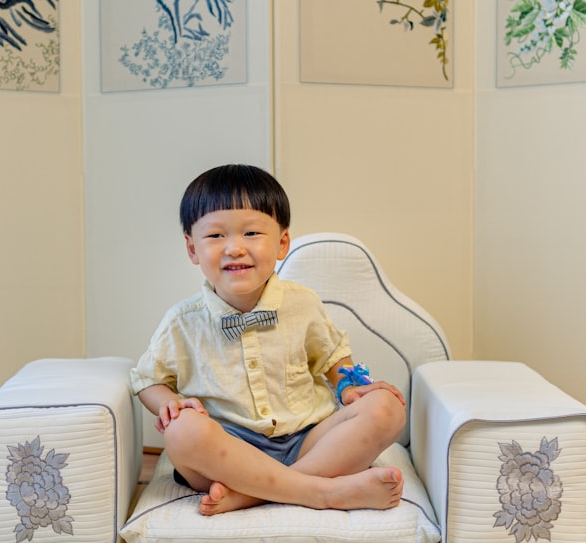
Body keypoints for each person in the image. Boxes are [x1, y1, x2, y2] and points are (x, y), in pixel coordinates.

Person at [130, 164, 407, 516]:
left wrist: (348, 388)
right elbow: (146, 379)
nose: (234, 248)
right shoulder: (182, 321)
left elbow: (332, 357)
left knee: (387, 406)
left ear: (282, 242)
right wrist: (168, 403)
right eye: (216, 236)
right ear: (192, 249)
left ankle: (253, 495)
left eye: (251, 233)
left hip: (307, 441)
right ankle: (323, 492)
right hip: (229, 453)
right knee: (180, 433)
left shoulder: (302, 303)